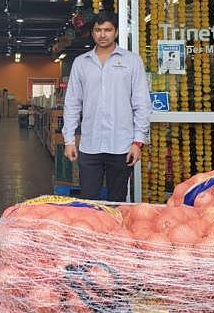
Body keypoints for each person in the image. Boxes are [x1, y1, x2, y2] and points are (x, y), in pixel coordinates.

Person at [62, 11, 151, 202]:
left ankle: (114, 232)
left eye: (108, 30)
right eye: (98, 30)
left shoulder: (132, 61)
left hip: (122, 146)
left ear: (116, 32)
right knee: (88, 200)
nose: (103, 35)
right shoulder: (81, 63)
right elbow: (72, 103)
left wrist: (137, 142)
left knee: (117, 201)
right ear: (92, 33)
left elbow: (142, 103)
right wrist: (69, 139)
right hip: (90, 145)